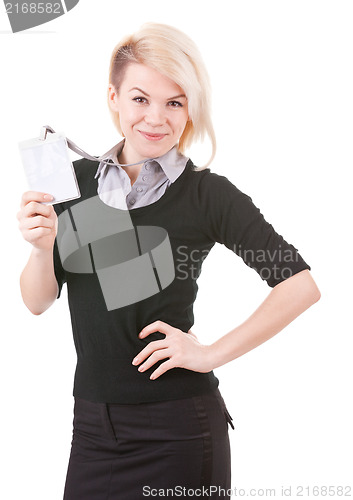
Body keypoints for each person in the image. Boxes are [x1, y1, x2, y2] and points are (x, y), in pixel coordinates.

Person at [17, 22, 321, 500]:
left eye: (174, 102)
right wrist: (40, 249)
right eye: (140, 99)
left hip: (178, 430)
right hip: (93, 429)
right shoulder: (73, 183)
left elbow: (299, 284)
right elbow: (37, 302)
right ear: (114, 97)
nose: (156, 118)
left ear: (190, 110)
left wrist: (208, 354)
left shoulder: (205, 194)